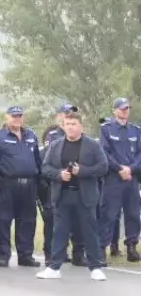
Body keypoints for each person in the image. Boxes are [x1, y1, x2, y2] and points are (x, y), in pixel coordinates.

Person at [37, 111, 108, 281]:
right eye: (67, 124)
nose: (70, 127)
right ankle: (54, 267)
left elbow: (103, 167)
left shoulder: (92, 145)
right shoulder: (55, 145)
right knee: (59, 231)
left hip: (85, 195)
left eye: (73, 124)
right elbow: (45, 168)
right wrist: (59, 174)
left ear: (80, 126)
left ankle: (95, 267)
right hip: (63, 195)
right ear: (63, 126)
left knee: (89, 231)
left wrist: (82, 171)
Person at [0, 106, 41, 267]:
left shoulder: (31, 135)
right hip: (6, 185)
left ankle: (25, 255)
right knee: (3, 220)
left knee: (28, 220)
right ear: (6, 117)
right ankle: (3, 254)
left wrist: (38, 180)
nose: (17, 119)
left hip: (28, 185)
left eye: (19, 116)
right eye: (13, 116)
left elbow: (37, 159)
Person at [99, 97, 141, 262]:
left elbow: (139, 154)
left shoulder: (135, 130)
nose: (125, 111)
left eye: (127, 108)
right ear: (115, 110)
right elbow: (104, 153)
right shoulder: (106, 129)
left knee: (133, 214)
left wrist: (130, 168)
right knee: (109, 214)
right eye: (122, 108)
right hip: (114, 178)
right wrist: (119, 169)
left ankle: (131, 246)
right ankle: (101, 248)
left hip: (131, 178)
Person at [43, 103, 86, 265]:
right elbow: (49, 160)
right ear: (59, 116)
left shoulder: (81, 135)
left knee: (78, 221)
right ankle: (53, 253)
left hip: (78, 184)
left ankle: (78, 253)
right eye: (66, 113)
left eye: (72, 114)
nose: (70, 116)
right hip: (57, 183)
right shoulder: (53, 136)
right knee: (55, 222)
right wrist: (60, 173)